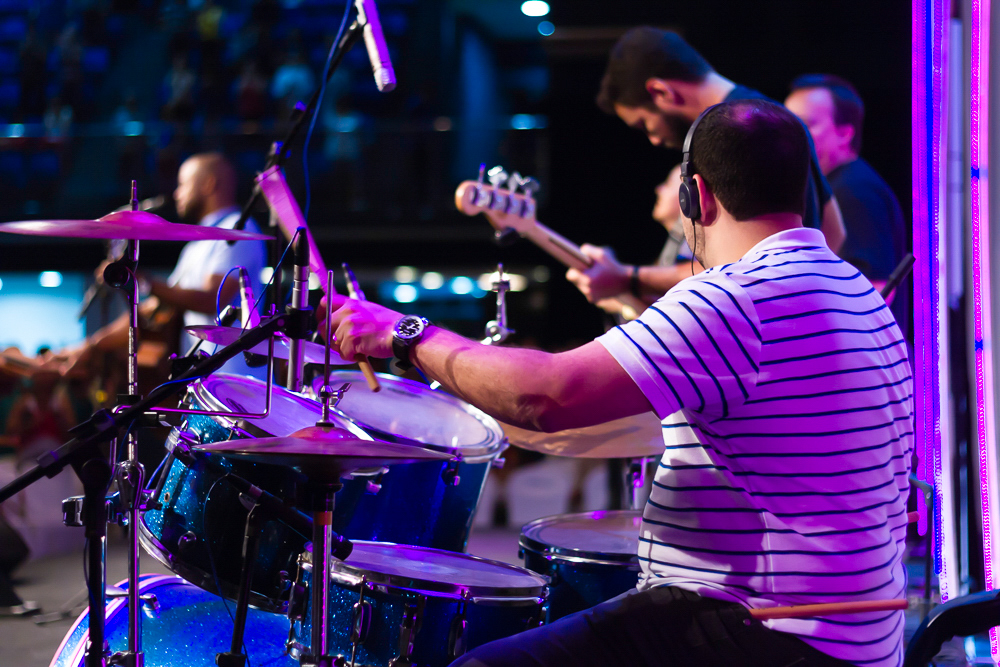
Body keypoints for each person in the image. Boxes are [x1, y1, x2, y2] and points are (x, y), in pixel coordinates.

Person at [321, 100, 911, 667]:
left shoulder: (737, 297)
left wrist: (405, 334)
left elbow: (545, 396)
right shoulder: (860, 295)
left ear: (696, 195)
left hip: (761, 630)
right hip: (859, 638)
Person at [567, 27, 846, 316]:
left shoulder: (739, 135)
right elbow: (834, 232)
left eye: (644, 124)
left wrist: (628, 278)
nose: (653, 140)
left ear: (660, 91)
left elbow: (738, 269)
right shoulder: (773, 120)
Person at [61, 152, 267, 379]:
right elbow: (158, 308)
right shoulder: (196, 246)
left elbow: (212, 299)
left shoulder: (237, 230)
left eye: (183, 184)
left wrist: (144, 281)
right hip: (209, 380)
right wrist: (92, 345)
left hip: (237, 382)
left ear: (209, 184)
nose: (177, 194)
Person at [784, 74, 907, 298]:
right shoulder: (843, 184)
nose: (791, 135)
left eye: (805, 124)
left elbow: (876, 289)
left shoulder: (854, 191)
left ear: (844, 133)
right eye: (787, 125)